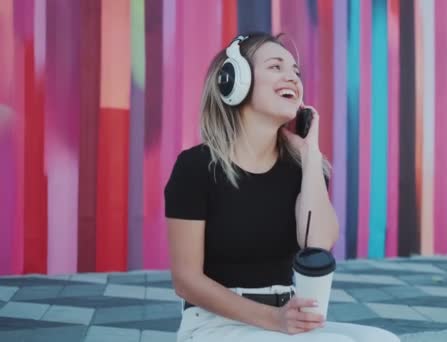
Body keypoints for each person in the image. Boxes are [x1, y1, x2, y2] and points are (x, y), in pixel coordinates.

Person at [164, 32, 401, 342]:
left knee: (382, 340)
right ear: (233, 80)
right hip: (214, 323)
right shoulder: (195, 168)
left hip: (284, 320)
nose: (291, 77)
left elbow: (317, 243)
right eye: (276, 67)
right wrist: (273, 319)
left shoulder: (303, 169)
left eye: (295, 71)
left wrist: (310, 154)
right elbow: (186, 280)